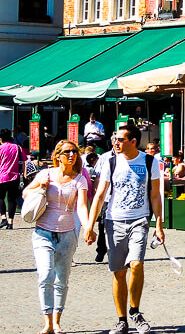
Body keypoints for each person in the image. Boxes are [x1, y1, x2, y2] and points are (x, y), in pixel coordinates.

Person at [84, 120, 164, 334]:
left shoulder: (149, 162)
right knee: (119, 272)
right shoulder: (110, 162)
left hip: (140, 220)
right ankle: (121, 320)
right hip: (114, 221)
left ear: (133, 141)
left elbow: (155, 195)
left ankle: (135, 311)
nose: (115, 142)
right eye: (114, 139)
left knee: (136, 264)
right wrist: (90, 226)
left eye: (120, 139)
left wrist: (159, 225)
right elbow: (100, 195)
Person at [24, 139, 90, 334]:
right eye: (68, 152)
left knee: (62, 278)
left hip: (68, 234)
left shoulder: (80, 179)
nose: (72, 155)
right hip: (43, 232)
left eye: (75, 152)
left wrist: (88, 228)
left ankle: (57, 321)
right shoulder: (46, 174)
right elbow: (26, 193)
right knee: (45, 275)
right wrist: (39, 187)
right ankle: (47, 322)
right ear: (58, 155)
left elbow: (82, 206)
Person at [0, 128, 26, 230]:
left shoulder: (0, 148)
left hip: (2, 177)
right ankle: (10, 222)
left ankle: (3, 218)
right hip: (15, 177)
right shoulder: (18, 148)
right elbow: (24, 162)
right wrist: (23, 175)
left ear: (1, 139)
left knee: (1, 197)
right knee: (12, 199)